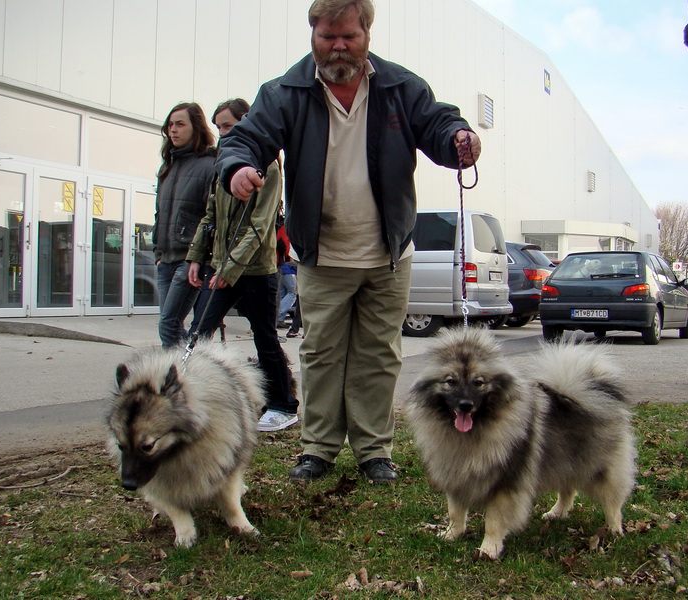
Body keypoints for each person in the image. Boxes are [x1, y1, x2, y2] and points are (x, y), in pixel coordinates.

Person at [215, 0, 482, 483]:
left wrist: (458, 138)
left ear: (367, 36)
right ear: (313, 34)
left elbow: (440, 122)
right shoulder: (284, 93)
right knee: (321, 353)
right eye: (327, 35)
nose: (338, 45)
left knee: (378, 354)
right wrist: (236, 167)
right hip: (322, 254)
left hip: (389, 252)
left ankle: (374, 451)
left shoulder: (402, 87)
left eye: (349, 36)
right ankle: (317, 449)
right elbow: (245, 139)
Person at [187, 98, 299, 432]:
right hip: (220, 267)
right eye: (218, 127)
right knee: (198, 333)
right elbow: (211, 214)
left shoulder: (270, 167)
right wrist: (197, 256)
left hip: (256, 271)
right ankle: (197, 399)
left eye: (228, 126)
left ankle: (284, 405)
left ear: (247, 122)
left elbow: (260, 225)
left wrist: (229, 269)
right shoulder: (224, 165)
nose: (222, 134)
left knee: (265, 338)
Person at [153, 103, 216, 348]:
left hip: (189, 260)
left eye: (180, 124)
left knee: (168, 323)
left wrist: (198, 257)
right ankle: (184, 376)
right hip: (165, 259)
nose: (173, 130)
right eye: (170, 125)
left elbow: (211, 217)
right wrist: (158, 251)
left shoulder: (209, 166)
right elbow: (160, 213)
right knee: (171, 324)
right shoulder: (167, 167)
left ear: (196, 127)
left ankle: (176, 379)